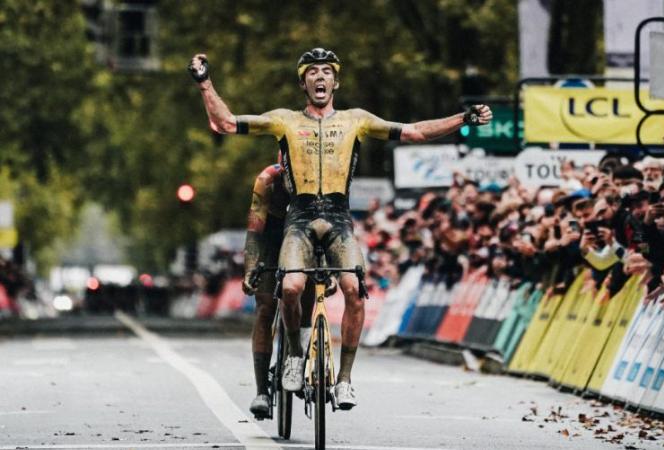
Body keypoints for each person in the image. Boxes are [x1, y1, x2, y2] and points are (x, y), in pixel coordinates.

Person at [189, 47, 492, 409]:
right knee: (291, 286)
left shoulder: (356, 120)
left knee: (353, 289)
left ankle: (345, 379)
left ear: (337, 80)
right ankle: (294, 358)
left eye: (327, 71)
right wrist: (205, 83)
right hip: (299, 219)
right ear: (303, 83)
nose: (320, 77)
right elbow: (225, 123)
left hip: (338, 218)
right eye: (312, 72)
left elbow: (414, 133)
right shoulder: (285, 121)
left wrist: (464, 118)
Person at [241, 163, 313, 418]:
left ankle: (299, 359)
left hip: (308, 239)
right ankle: (262, 391)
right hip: (272, 238)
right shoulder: (267, 179)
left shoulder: (318, 173)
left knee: (308, 290)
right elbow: (254, 230)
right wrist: (251, 267)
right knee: (265, 307)